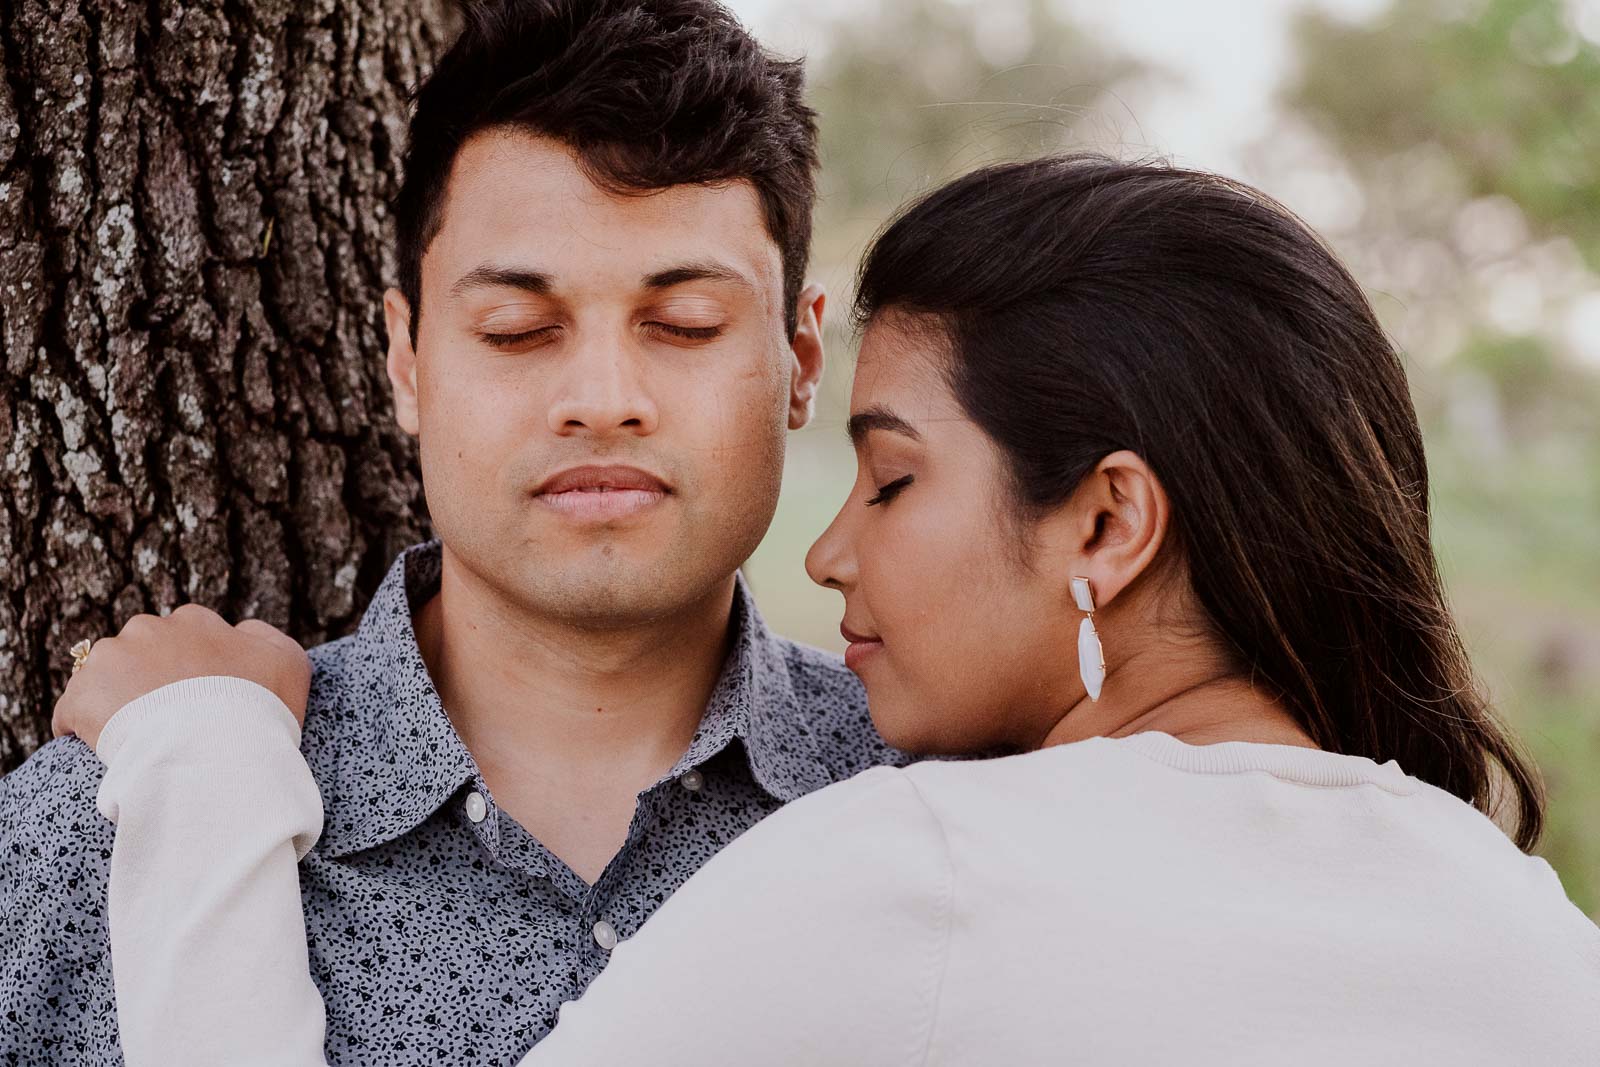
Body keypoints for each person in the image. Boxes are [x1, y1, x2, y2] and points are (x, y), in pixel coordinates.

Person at [62, 155, 1600, 1065]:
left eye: (893, 481)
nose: (831, 555)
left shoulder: (912, 870)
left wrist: (202, 756)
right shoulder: (1519, 919)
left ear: (1109, 522)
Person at [0, 2, 907, 1063]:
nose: (603, 399)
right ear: (406, 358)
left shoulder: (941, 799)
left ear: (800, 361)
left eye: (684, 324)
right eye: (517, 330)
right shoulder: (98, 832)